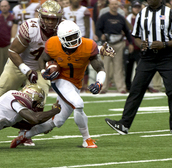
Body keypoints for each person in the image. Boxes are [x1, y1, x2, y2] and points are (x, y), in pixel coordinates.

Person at [10, 20, 115, 149]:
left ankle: (25, 136)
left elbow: (100, 68)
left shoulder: (88, 45)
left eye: (75, 36)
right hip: (60, 80)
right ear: (61, 39)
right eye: (69, 38)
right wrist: (44, 72)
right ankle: (87, 139)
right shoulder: (53, 44)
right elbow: (42, 59)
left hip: (76, 83)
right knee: (79, 104)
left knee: (57, 121)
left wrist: (99, 83)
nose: (73, 40)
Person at [105, 0, 172, 134]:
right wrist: (143, 45)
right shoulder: (142, 13)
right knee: (136, 89)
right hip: (147, 57)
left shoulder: (170, 13)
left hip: (166, 56)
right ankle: (124, 125)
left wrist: (165, 44)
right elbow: (136, 37)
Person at [96, 0, 134, 94]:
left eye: (116, 4)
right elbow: (98, 29)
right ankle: (103, 88)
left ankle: (121, 88)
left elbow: (127, 31)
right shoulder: (104, 17)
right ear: (109, 5)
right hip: (107, 44)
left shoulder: (121, 18)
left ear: (118, 6)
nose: (114, 6)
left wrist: (130, 43)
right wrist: (101, 35)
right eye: (112, 4)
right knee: (105, 67)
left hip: (119, 43)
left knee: (119, 67)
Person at [0, 0, 15, 84]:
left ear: (9, 7)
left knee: (11, 67)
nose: (4, 8)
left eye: (5, 6)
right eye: (2, 6)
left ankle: (11, 84)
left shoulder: (13, 18)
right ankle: (0, 84)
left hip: (10, 46)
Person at [125, 0, 142, 92]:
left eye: (138, 7)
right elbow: (126, 33)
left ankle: (139, 86)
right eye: (135, 7)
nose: (137, 9)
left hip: (139, 47)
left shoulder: (143, 18)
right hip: (131, 46)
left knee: (140, 69)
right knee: (128, 68)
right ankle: (128, 86)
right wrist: (129, 44)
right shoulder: (128, 19)